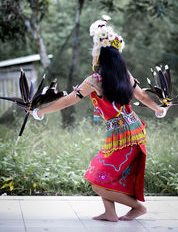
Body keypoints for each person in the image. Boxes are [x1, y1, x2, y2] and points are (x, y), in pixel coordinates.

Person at [31, 15, 167, 222]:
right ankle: (110, 213)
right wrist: (157, 108)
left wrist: (40, 112)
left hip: (124, 136)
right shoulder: (124, 74)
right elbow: (140, 96)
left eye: (94, 51)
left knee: (96, 179)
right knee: (104, 175)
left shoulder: (95, 80)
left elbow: (68, 101)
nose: (92, 55)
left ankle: (137, 207)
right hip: (131, 131)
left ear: (101, 55)